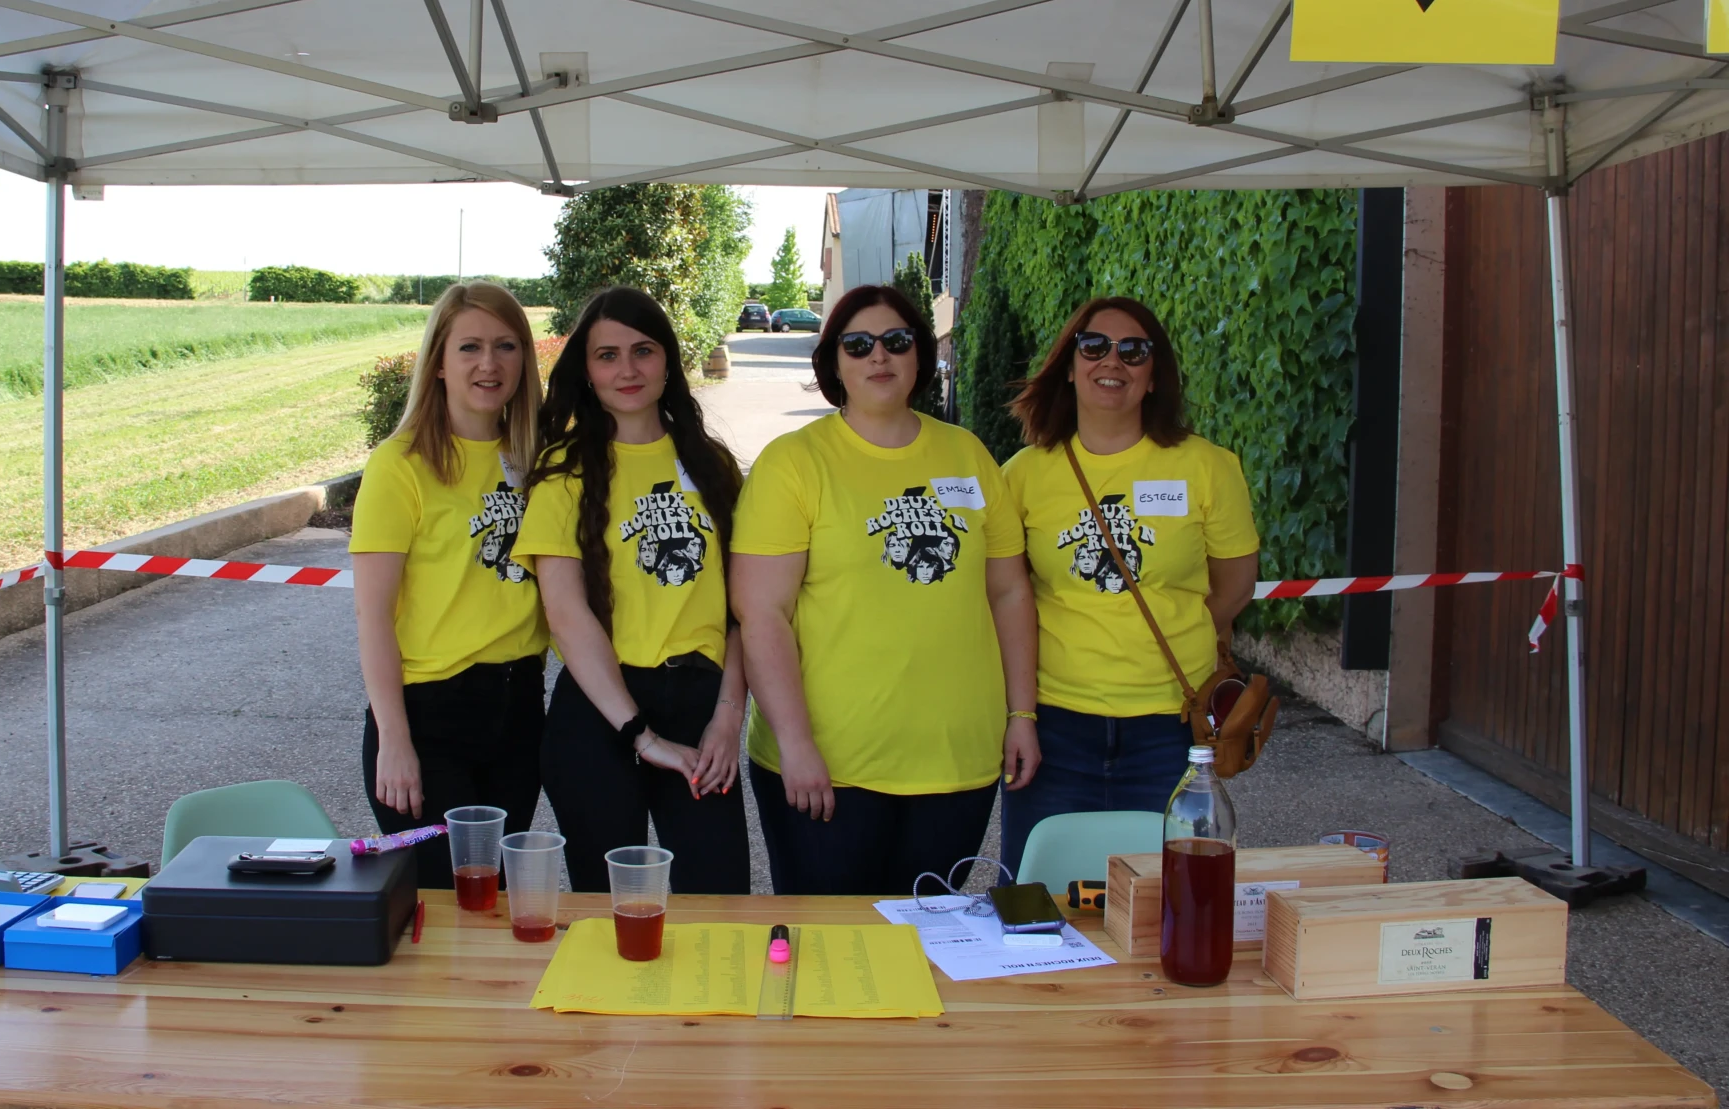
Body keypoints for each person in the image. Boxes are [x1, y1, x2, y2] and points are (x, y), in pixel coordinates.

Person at [732, 283, 1041, 896]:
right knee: (829, 943)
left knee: (926, 939)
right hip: (830, 768)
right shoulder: (794, 463)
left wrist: (1022, 715)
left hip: (956, 762)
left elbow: (1009, 594)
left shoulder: (968, 455)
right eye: (858, 344)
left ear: (921, 354)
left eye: (896, 341)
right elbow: (761, 612)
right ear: (834, 362)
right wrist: (795, 743)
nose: (879, 355)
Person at [998, 295, 1260, 872]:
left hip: (1171, 730)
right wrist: (1020, 718)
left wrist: (1174, 633)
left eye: (1134, 351)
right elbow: (1007, 598)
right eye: (1093, 346)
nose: (1111, 361)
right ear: (1069, 366)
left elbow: (1236, 585)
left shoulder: (1208, 468)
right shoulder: (1022, 476)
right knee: (1039, 900)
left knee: (1170, 898)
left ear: (1154, 375)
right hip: (1054, 727)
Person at [513, 286, 751, 895]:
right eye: (607, 355)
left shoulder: (715, 467)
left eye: (643, 350)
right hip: (601, 712)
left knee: (718, 901)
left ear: (668, 361)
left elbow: (745, 610)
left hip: (701, 706)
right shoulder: (563, 474)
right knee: (610, 914)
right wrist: (640, 736)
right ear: (587, 371)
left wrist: (728, 718)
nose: (627, 369)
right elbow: (567, 616)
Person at [350, 281, 548, 890]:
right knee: (449, 903)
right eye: (469, 347)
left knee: (496, 898)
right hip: (429, 717)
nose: (489, 363)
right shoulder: (400, 465)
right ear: (438, 361)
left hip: (519, 710)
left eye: (506, 346)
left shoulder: (538, 459)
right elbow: (373, 616)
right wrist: (394, 739)